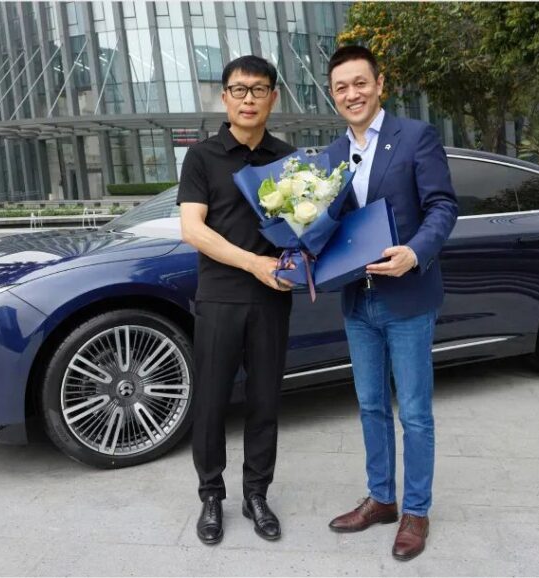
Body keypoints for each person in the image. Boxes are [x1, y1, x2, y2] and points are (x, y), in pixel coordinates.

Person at [320, 45, 458, 561]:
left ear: (380, 84)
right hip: (358, 301)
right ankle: (381, 498)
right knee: (371, 406)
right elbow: (329, 226)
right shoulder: (331, 156)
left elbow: (442, 206)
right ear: (332, 96)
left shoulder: (416, 137)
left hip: (408, 298)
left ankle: (416, 511)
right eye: (341, 87)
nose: (352, 94)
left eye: (360, 83)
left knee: (415, 412)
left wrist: (415, 253)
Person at [177, 55, 296, 545]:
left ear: (273, 97)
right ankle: (211, 495)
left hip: (272, 299)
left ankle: (256, 494)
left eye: (259, 89)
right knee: (210, 402)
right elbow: (192, 230)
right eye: (240, 90)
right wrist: (254, 264)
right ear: (224, 97)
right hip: (220, 298)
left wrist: (299, 261)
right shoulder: (202, 157)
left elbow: (302, 227)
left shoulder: (287, 158)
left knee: (265, 400)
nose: (249, 99)